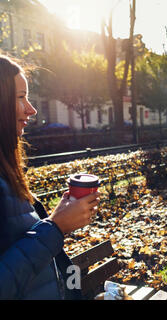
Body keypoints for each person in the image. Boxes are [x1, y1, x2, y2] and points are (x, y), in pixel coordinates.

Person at [0, 55, 100, 299]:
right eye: (20, 97)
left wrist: (57, 219)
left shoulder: (7, 169)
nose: (31, 109)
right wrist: (56, 227)